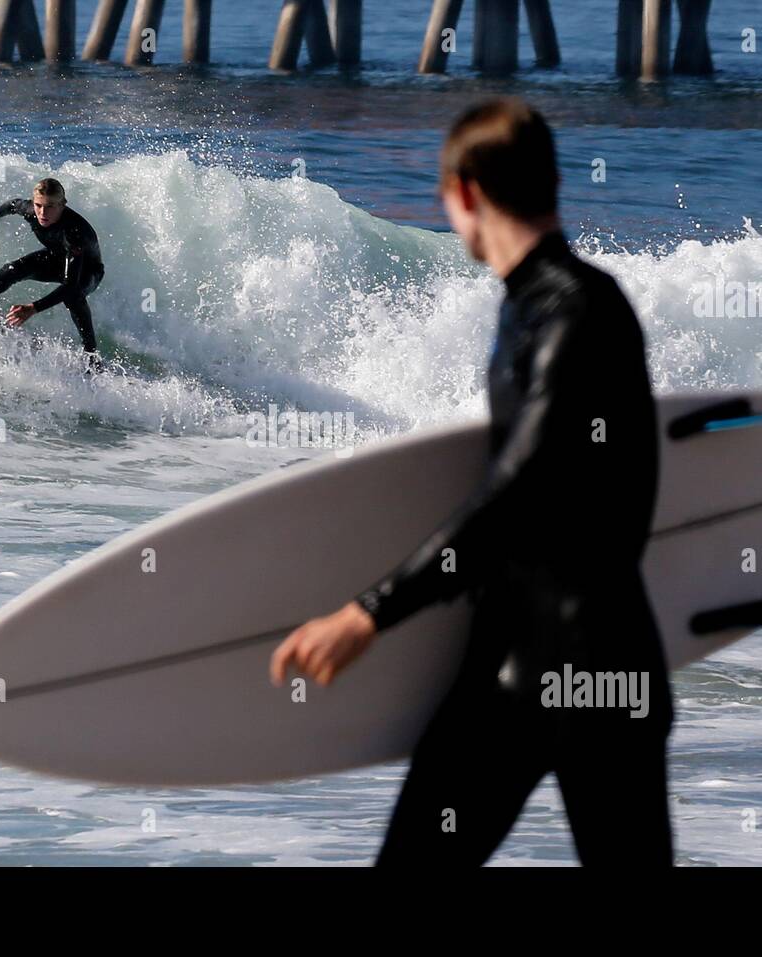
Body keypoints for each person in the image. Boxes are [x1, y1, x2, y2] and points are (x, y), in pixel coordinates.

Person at [268, 97, 675, 867]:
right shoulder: (537, 307)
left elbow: (526, 484)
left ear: (465, 193)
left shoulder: (574, 309)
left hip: (588, 674)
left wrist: (370, 613)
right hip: (526, 664)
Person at [0, 177, 105, 359]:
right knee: (13, 269)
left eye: (50, 206)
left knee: (73, 297)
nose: (43, 212)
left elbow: (70, 285)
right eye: (39, 205)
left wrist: (33, 308)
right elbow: (13, 204)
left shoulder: (75, 232)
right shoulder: (30, 210)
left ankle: (92, 355)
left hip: (88, 270)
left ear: (62, 205)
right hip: (56, 258)